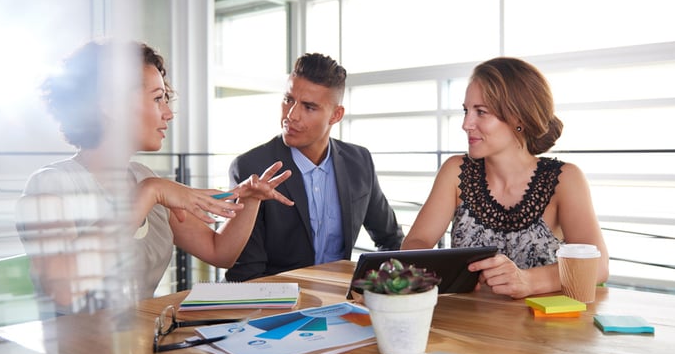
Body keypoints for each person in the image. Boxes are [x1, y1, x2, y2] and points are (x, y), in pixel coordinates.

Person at [16, 40, 294, 317]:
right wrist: (149, 192)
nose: (168, 113)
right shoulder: (50, 186)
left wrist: (251, 201)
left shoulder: (144, 178)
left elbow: (219, 252)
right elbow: (63, 291)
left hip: (141, 344)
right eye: (157, 98)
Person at [400, 57, 608, 299]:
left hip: (539, 329)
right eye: (466, 111)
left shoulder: (565, 179)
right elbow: (416, 242)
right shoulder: (455, 172)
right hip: (464, 323)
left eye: (481, 112)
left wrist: (528, 281)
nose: (466, 124)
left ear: (518, 118)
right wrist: (445, 273)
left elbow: (599, 265)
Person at [225, 53, 404, 282]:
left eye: (309, 107)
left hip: (342, 301)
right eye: (289, 99)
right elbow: (246, 273)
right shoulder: (250, 168)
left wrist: (377, 288)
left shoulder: (359, 161)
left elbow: (391, 241)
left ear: (336, 115)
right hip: (275, 307)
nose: (291, 115)